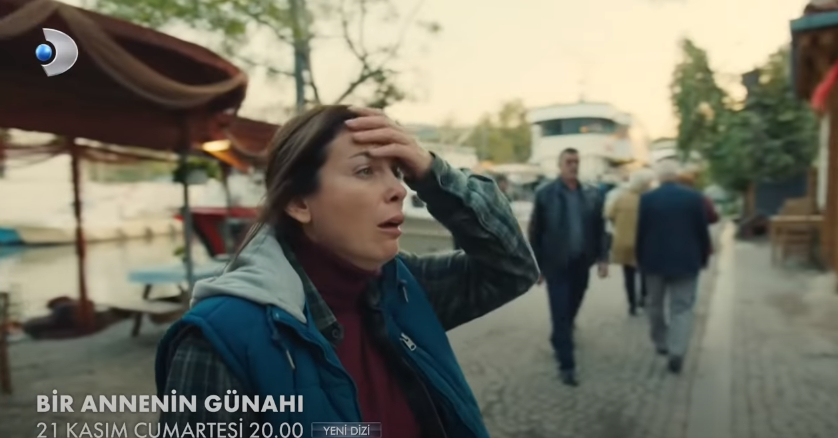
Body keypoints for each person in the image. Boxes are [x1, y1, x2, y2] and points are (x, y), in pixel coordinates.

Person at [154, 105, 540, 437]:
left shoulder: (403, 288)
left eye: (398, 171)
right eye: (365, 171)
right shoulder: (220, 341)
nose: (399, 190)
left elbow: (512, 268)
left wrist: (431, 172)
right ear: (299, 203)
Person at [527, 148, 609, 387]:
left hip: (582, 263)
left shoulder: (591, 194)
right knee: (560, 312)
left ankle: (559, 336)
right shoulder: (545, 194)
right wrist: (536, 267)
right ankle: (567, 365)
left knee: (573, 306)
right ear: (560, 165)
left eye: (576, 162)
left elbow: (600, 229)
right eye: (569, 162)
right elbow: (535, 232)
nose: (573, 166)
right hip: (556, 264)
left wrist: (603, 258)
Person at [636, 160, 711, 374]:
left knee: (655, 305)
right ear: (677, 175)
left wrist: (640, 258)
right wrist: (704, 255)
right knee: (682, 307)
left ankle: (661, 342)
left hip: (654, 261)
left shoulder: (647, 199)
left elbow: (641, 232)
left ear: (658, 177)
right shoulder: (694, 198)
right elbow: (701, 230)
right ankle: (677, 350)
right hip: (686, 260)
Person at [605, 169, 654, 316]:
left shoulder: (621, 198)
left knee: (628, 275)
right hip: (643, 242)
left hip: (624, 241)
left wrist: (619, 225)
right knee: (645, 272)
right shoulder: (648, 200)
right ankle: (643, 297)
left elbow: (609, 214)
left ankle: (631, 304)